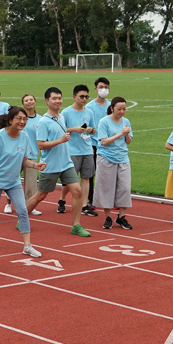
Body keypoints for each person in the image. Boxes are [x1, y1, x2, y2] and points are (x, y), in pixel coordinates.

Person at [0, 107, 46, 258]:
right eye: (19, 118)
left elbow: (25, 161)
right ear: (10, 120)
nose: (22, 122)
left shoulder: (25, 137)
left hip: (14, 181)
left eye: (25, 119)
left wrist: (36, 165)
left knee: (22, 211)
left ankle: (27, 245)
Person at [26, 87, 91, 238]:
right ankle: (23, 218)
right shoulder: (43, 122)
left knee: (77, 191)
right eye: (54, 98)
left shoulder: (61, 118)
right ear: (47, 101)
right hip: (50, 165)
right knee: (41, 195)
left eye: (60, 98)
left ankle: (76, 225)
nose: (58, 101)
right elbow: (41, 145)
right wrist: (60, 140)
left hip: (66, 163)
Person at [58, 85, 97, 218]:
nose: (84, 99)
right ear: (74, 97)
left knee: (86, 178)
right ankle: (62, 199)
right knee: (70, 180)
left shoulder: (89, 112)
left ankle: (84, 204)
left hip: (87, 149)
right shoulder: (66, 112)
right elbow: (61, 129)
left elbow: (94, 129)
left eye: (86, 96)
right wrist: (74, 129)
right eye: (82, 96)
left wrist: (90, 130)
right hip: (72, 151)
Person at [96, 96, 134, 230]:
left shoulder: (126, 121)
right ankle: (107, 217)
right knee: (107, 188)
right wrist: (121, 133)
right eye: (119, 109)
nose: (122, 112)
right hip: (106, 158)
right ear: (112, 108)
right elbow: (104, 142)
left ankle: (121, 216)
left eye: (124, 109)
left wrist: (127, 134)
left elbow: (128, 141)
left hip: (123, 158)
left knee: (125, 188)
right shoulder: (104, 122)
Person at [83, 77, 111, 216]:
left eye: (106, 87)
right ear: (95, 89)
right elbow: (86, 126)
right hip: (94, 143)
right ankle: (90, 199)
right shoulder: (89, 107)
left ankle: (108, 199)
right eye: (101, 87)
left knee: (107, 173)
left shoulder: (111, 106)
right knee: (91, 173)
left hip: (108, 144)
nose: (104, 89)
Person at [19, 94, 42, 214]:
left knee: (31, 182)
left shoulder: (41, 119)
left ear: (35, 102)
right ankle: (8, 202)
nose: (29, 102)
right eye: (26, 100)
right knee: (12, 179)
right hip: (17, 154)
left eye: (31, 100)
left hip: (32, 154)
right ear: (23, 104)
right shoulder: (19, 118)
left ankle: (29, 205)